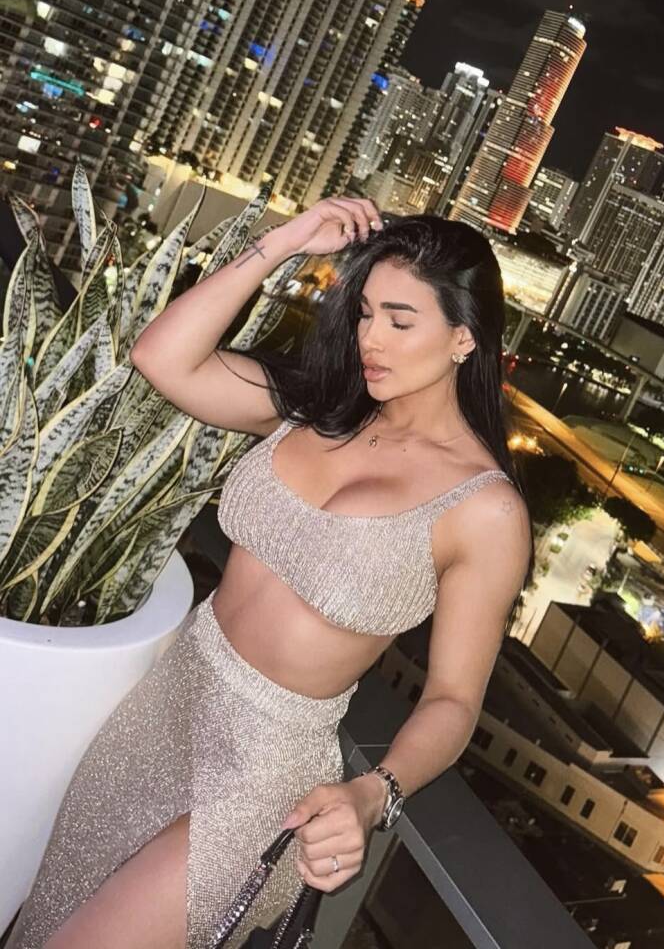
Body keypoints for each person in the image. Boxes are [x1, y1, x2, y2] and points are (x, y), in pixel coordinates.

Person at [7, 197, 533, 949]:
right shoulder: (319, 407)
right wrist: (284, 242)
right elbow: (162, 357)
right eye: (364, 313)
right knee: (44, 917)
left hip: (261, 772)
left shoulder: (484, 510)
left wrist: (372, 794)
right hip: (164, 702)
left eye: (399, 321)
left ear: (463, 337)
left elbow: (453, 699)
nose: (370, 338)